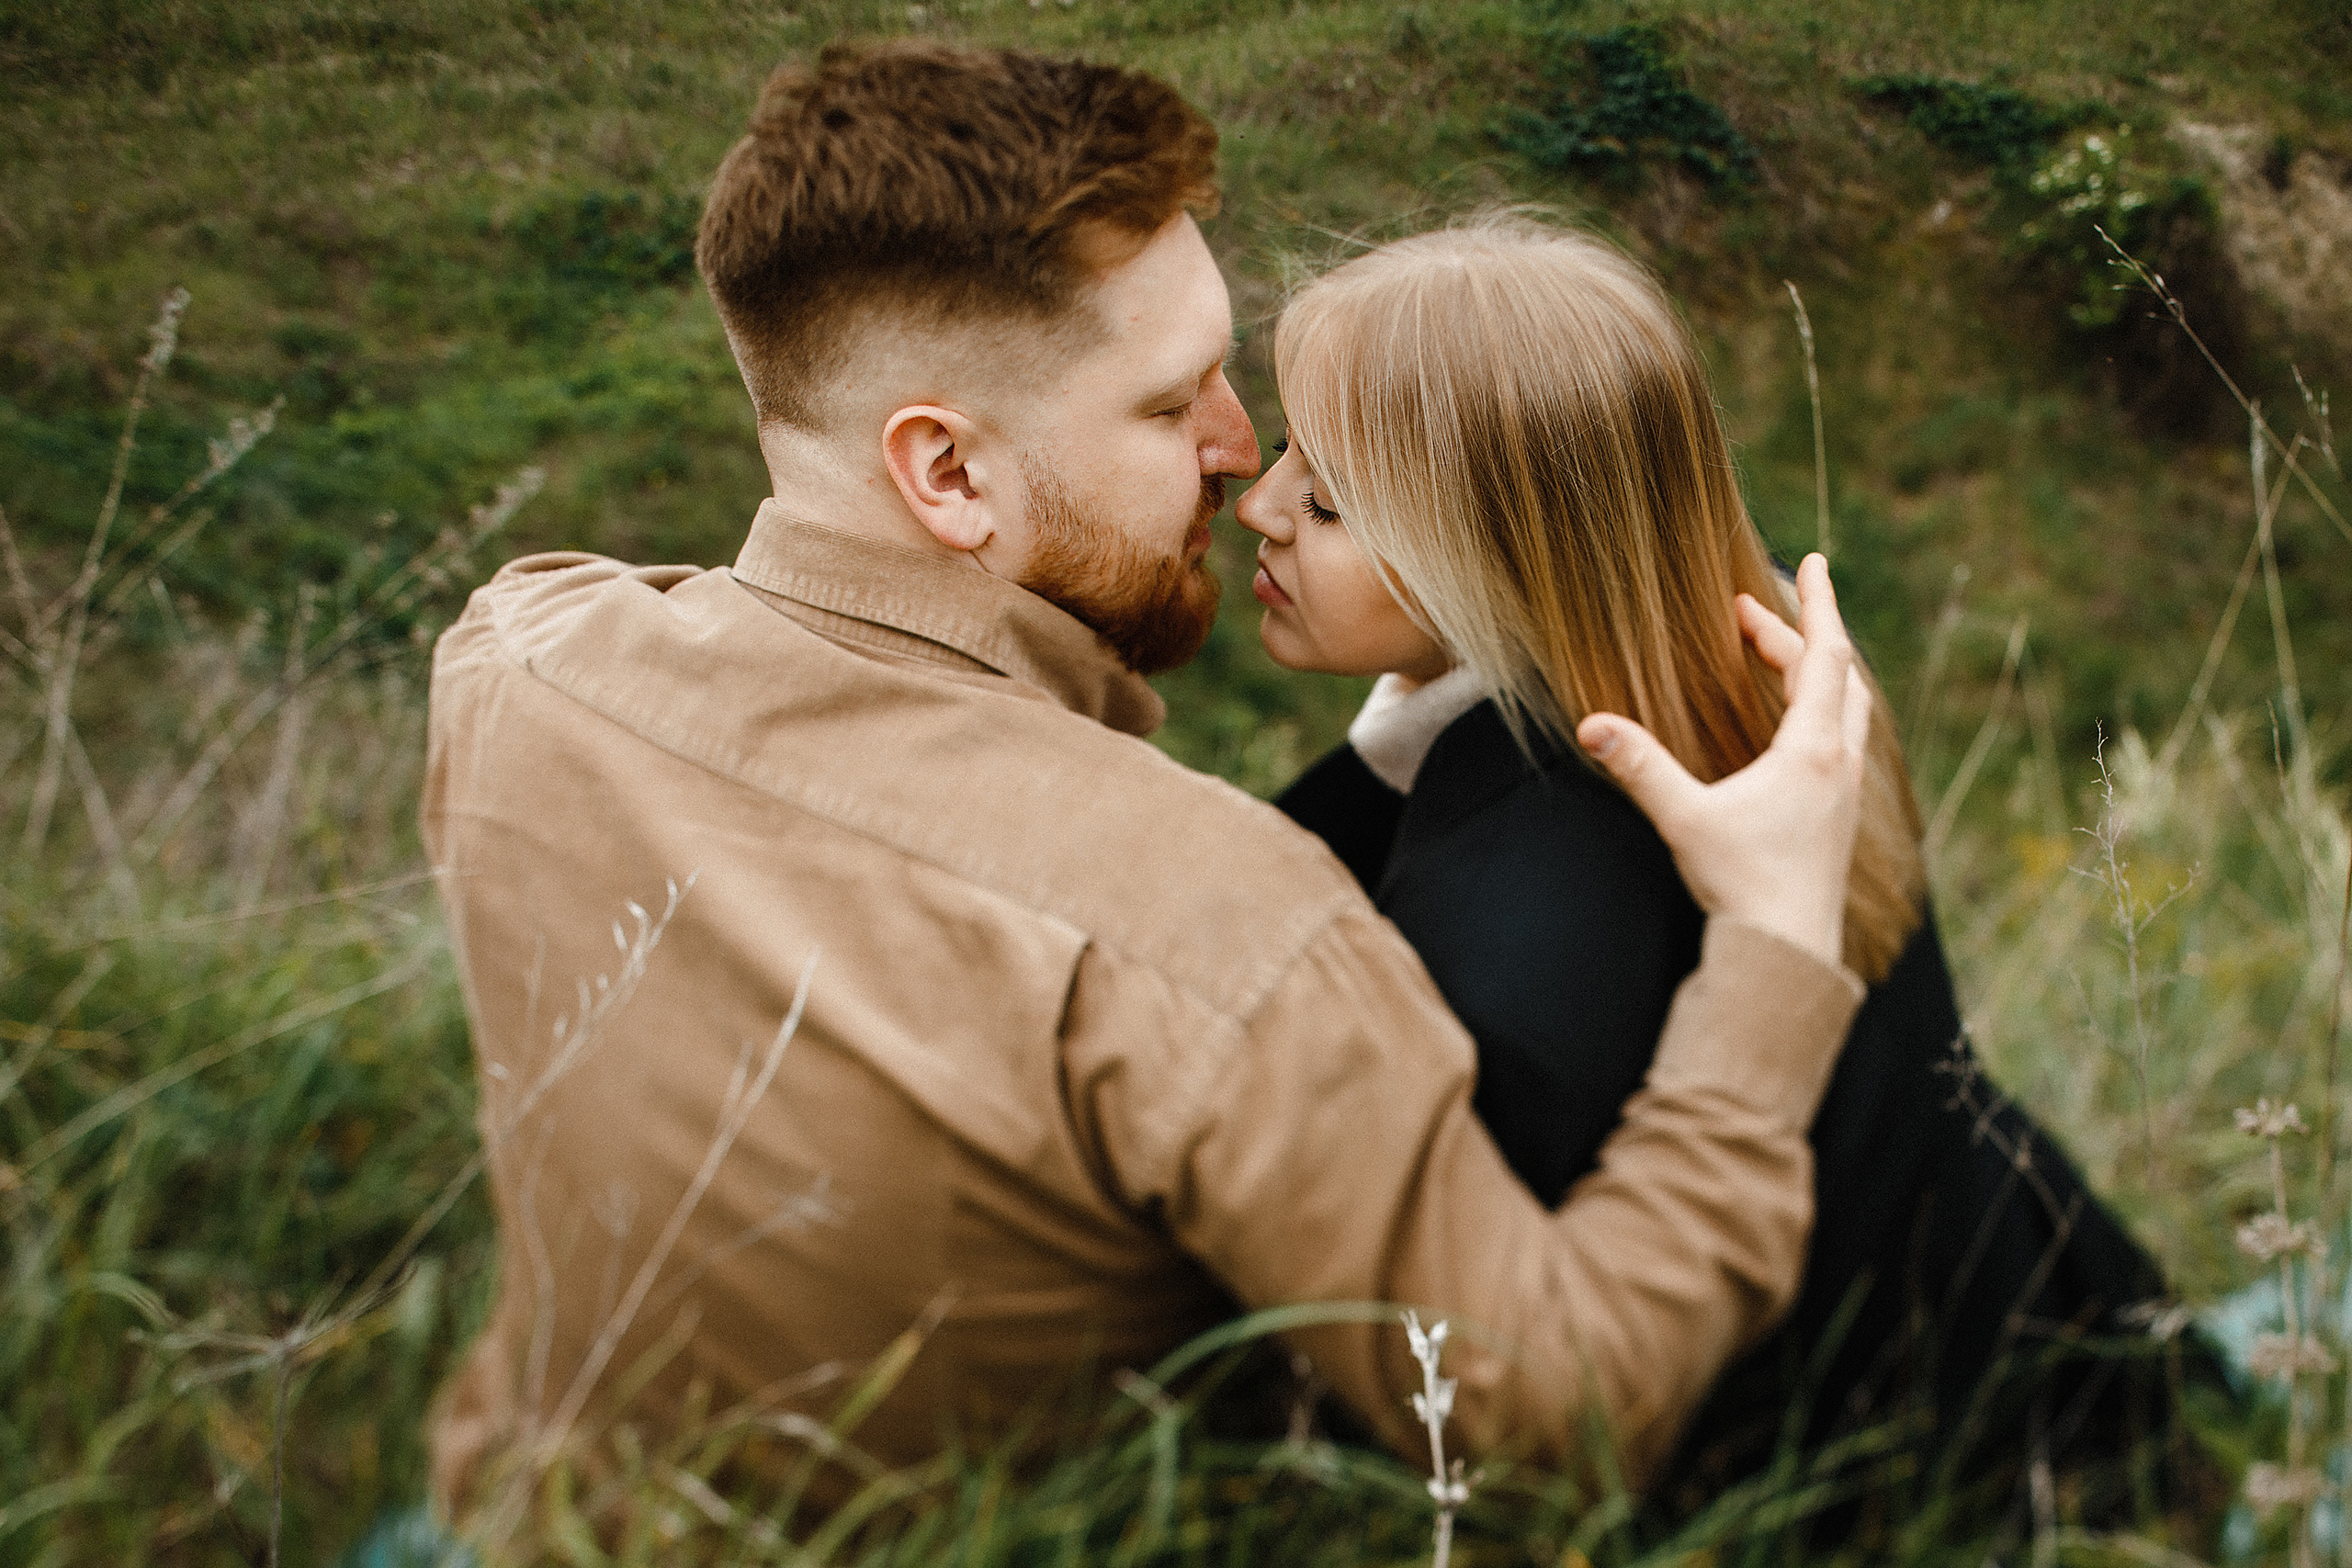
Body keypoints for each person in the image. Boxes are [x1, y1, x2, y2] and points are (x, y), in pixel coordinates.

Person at [423, 42, 1883, 1520]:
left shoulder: (514, 655)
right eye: (1167, 403)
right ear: (946, 473)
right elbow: (1543, 1420)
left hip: (498, 1525)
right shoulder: (1220, 929)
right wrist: (1771, 942)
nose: (1240, 455)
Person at [1240, 216, 2178, 1506]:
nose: (1258, 504)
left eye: (1326, 498)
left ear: (1497, 554)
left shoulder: (1501, 951)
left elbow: (1521, 1387)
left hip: (1850, 1489)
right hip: (2036, 1324)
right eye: (1285, 447)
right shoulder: (1766, 706)